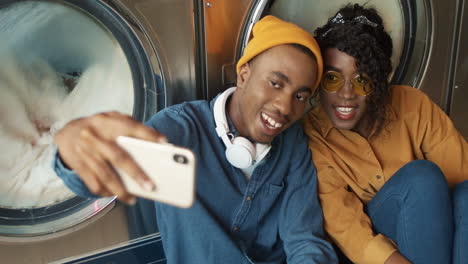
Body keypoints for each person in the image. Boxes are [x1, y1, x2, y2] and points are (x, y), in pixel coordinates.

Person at [53, 15, 338, 264]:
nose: (286, 107)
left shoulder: (293, 144)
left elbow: (304, 239)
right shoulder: (180, 131)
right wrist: (73, 150)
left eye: (300, 96)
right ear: (243, 75)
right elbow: (104, 177)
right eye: (275, 83)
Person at [302, 3, 468, 264]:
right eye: (333, 79)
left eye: (362, 80)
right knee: (420, 179)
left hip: (434, 231)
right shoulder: (313, 135)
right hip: (376, 245)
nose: (346, 94)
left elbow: (461, 176)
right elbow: (345, 227)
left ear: (379, 82)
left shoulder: (413, 105)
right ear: (318, 80)